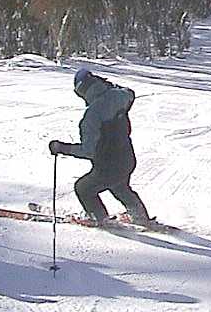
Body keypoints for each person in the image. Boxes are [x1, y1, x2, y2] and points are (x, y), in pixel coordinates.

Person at [49, 68, 151, 225]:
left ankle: (99, 218)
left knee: (83, 188)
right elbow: (130, 93)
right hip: (127, 160)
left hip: (107, 166)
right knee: (120, 187)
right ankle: (140, 216)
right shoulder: (118, 96)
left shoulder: (91, 117)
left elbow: (88, 151)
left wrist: (62, 148)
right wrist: (107, 86)